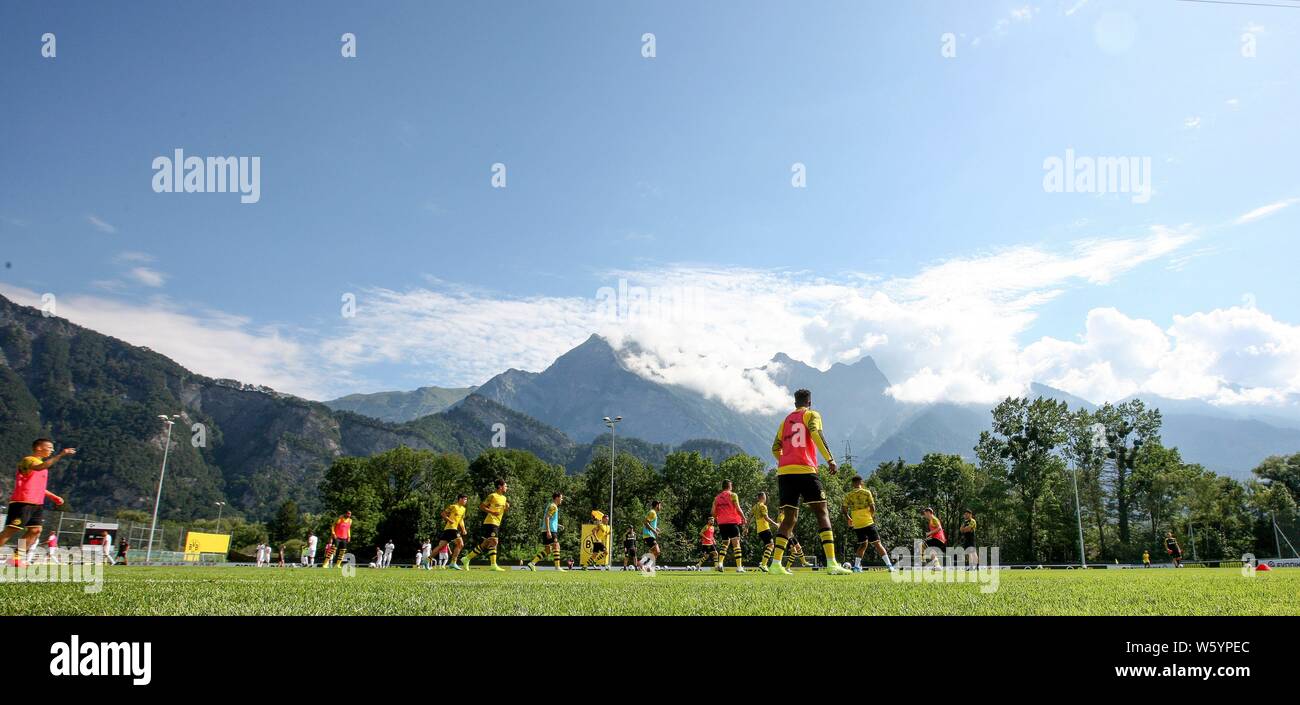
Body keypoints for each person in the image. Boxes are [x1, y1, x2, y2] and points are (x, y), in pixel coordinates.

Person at [767, 389, 851, 576]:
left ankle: (775, 564)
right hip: (805, 469)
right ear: (810, 402)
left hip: (785, 473)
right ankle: (831, 563)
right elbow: (816, 434)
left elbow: (775, 447)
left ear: (795, 402)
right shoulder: (812, 414)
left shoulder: (785, 421)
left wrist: (784, 460)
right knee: (822, 512)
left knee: (788, 519)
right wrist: (830, 459)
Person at [0, 438, 73, 568]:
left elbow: (38, 486)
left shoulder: (41, 465)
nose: (52, 450)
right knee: (11, 530)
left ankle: (16, 558)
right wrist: (61, 454)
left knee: (35, 530)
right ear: (39, 448)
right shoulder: (29, 460)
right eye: (49, 447)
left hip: (36, 503)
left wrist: (53, 496)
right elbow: (41, 467)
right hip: (23, 502)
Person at [842, 476, 892, 572]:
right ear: (862, 483)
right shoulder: (867, 492)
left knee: (863, 545)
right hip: (868, 522)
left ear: (852, 484)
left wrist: (848, 518)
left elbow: (844, 509)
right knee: (877, 544)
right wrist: (871, 516)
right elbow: (873, 507)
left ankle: (856, 567)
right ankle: (889, 566)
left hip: (857, 523)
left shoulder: (849, 495)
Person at [460, 479, 509, 572]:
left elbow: (501, 511)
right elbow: (482, 506)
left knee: (485, 544)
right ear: (500, 486)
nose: (507, 488)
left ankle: (466, 558)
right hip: (490, 522)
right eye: (505, 486)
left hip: (497, 523)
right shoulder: (492, 496)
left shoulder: (504, 498)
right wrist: (492, 512)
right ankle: (493, 565)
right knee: (494, 541)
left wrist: (506, 508)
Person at [712, 480, 746, 572]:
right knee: (736, 544)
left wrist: (719, 517)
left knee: (725, 543)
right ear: (730, 486)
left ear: (722, 487)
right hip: (732, 522)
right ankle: (739, 567)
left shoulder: (717, 498)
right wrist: (743, 518)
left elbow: (712, 513)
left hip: (722, 523)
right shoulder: (733, 495)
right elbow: (738, 508)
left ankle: (720, 563)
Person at [527, 492, 565, 571]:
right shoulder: (553, 506)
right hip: (550, 530)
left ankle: (532, 563)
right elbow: (547, 518)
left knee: (548, 550)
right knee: (556, 546)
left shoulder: (551, 505)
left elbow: (550, 519)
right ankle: (557, 567)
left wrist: (558, 525)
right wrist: (548, 531)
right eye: (561, 498)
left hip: (546, 529)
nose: (562, 499)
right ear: (557, 498)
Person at [434, 494, 468, 570]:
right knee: (460, 544)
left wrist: (463, 529)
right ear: (460, 499)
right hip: (451, 528)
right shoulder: (453, 506)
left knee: (441, 546)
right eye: (465, 499)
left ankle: (427, 560)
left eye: (466, 499)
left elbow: (461, 520)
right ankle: (453, 563)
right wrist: (449, 520)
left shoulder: (463, 509)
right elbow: (443, 514)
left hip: (450, 529)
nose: (466, 501)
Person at [753, 492, 777, 572]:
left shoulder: (755, 506)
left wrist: (746, 527)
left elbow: (750, 517)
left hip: (759, 530)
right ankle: (763, 565)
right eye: (765, 497)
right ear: (763, 497)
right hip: (765, 528)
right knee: (771, 546)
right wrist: (775, 524)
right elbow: (766, 517)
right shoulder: (763, 506)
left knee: (768, 546)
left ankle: (763, 563)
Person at [639, 500, 663, 573]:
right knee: (657, 551)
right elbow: (645, 522)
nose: (660, 507)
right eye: (660, 505)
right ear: (657, 505)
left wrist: (656, 528)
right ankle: (647, 565)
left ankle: (643, 564)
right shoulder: (652, 512)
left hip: (649, 535)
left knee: (654, 552)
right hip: (648, 535)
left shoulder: (654, 513)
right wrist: (654, 531)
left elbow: (650, 523)